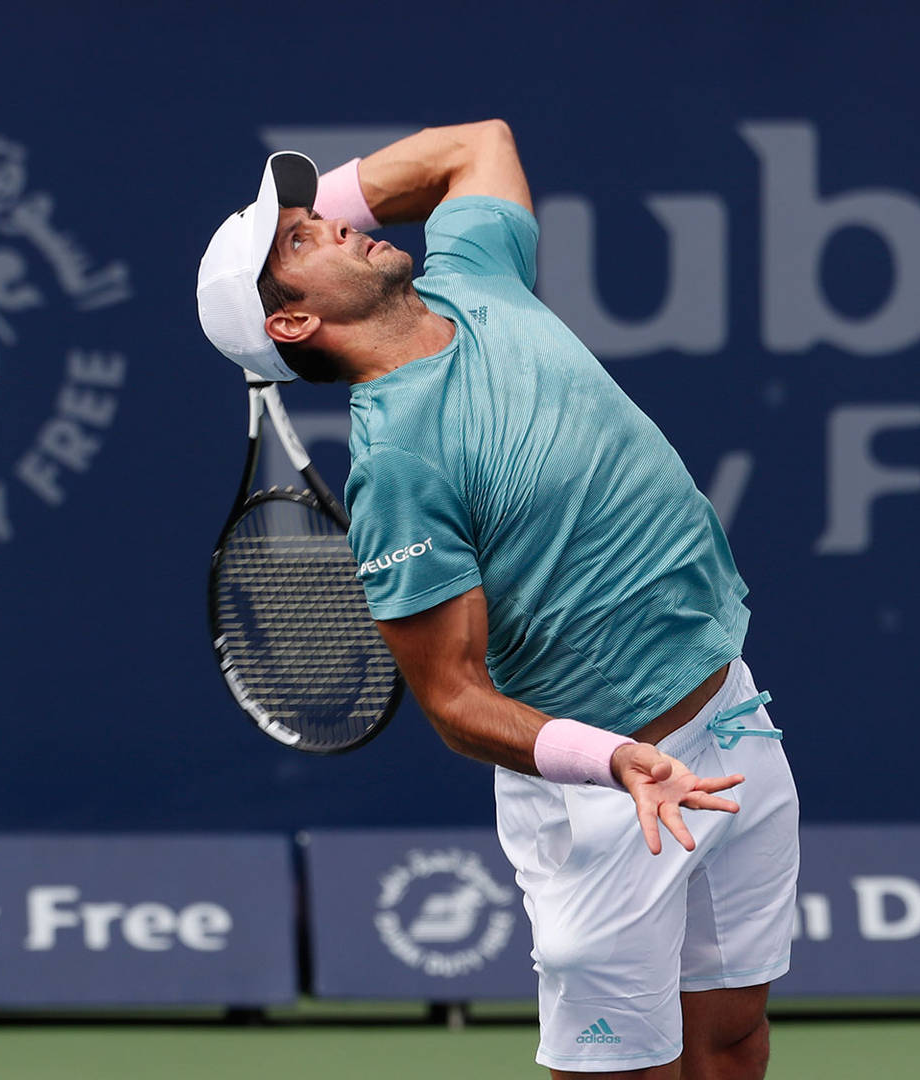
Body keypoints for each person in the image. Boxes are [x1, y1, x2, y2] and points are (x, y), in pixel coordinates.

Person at [197, 121, 800, 1080]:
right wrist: (614, 762)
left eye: (318, 214)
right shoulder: (397, 466)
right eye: (301, 242)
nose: (335, 223)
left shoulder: (473, 278)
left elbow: (474, 146)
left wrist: (316, 211)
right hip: (605, 798)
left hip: (730, 717)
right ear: (291, 322)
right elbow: (454, 701)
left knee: (728, 1042)